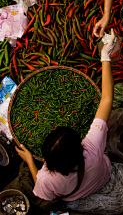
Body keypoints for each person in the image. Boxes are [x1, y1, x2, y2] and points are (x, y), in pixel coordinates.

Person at [14, 29, 116, 204]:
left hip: (75, 194)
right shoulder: (92, 146)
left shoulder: (47, 178)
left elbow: (42, 188)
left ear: (45, 160)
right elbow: (107, 99)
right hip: (102, 176)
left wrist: (31, 162)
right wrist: (105, 56)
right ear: (80, 147)